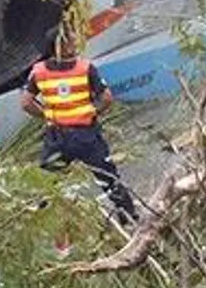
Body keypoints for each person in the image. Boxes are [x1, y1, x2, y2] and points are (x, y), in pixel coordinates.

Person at [22, 26, 138, 225]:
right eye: (71, 40)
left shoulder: (38, 71)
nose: (76, 43)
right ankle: (128, 216)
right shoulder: (85, 68)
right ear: (61, 45)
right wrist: (92, 112)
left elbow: (26, 103)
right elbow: (106, 98)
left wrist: (48, 115)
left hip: (57, 136)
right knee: (107, 176)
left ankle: (36, 223)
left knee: (47, 181)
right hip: (86, 135)